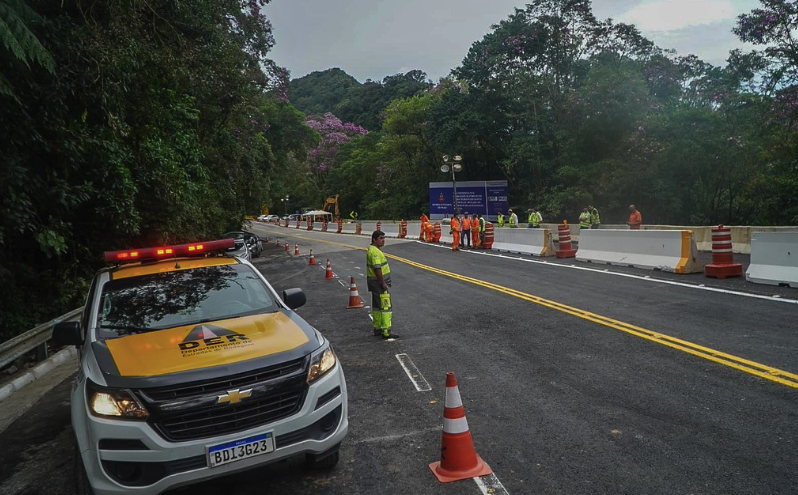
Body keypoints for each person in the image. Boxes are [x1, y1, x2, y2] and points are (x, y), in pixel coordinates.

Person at [367, 230, 398, 339]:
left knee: (376, 306)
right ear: (374, 239)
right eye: (381, 238)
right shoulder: (375, 252)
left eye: (384, 238)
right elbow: (377, 268)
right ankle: (386, 331)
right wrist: (383, 283)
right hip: (378, 283)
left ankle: (377, 328)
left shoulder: (373, 249)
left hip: (374, 283)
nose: (383, 240)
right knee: (385, 306)